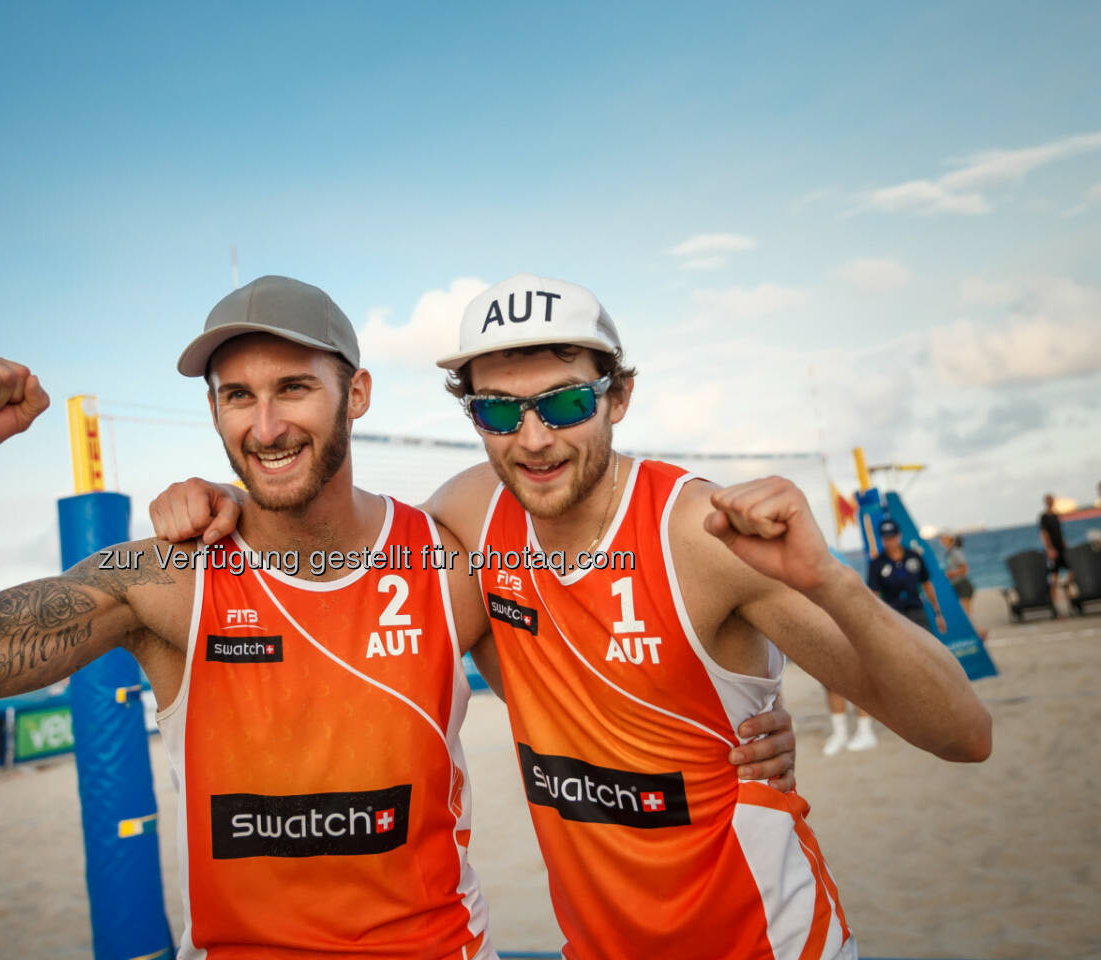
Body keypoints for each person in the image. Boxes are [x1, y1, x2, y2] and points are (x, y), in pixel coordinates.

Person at [0, 276, 794, 960]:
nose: (265, 425)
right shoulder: (166, 580)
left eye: (293, 387)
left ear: (356, 392)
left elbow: (604, 681)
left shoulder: (449, 563)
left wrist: (741, 730)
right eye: (238, 397)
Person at [155, 273, 993, 960]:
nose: (533, 440)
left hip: (763, 941)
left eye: (562, 405)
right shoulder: (474, 519)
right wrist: (232, 496)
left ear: (618, 397)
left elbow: (964, 733)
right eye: (495, 412)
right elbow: (339, 545)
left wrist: (834, 585)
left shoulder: (699, 536)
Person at [867, 519, 946, 636]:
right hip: (893, 615)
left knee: (926, 647)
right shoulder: (877, 563)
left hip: (917, 612)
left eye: (892, 538)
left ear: (899, 536)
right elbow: (874, 593)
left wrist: (938, 613)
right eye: (885, 539)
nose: (889, 542)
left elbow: (926, 584)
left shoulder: (913, 556)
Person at [1039, 494, 1074, 616]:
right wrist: (1049, 549)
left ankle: (1067, 594)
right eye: (1048, 500)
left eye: (1051, 500)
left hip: (1061, 548)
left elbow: (1059, 532)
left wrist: (1064, 544)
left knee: (1071, 569)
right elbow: (1043, 533)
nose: (1050, 502)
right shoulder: (1043, 517)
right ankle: (1054, 600)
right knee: (1054, 575)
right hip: (1052, 549)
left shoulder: (1055, 515)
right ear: (1045, 502)